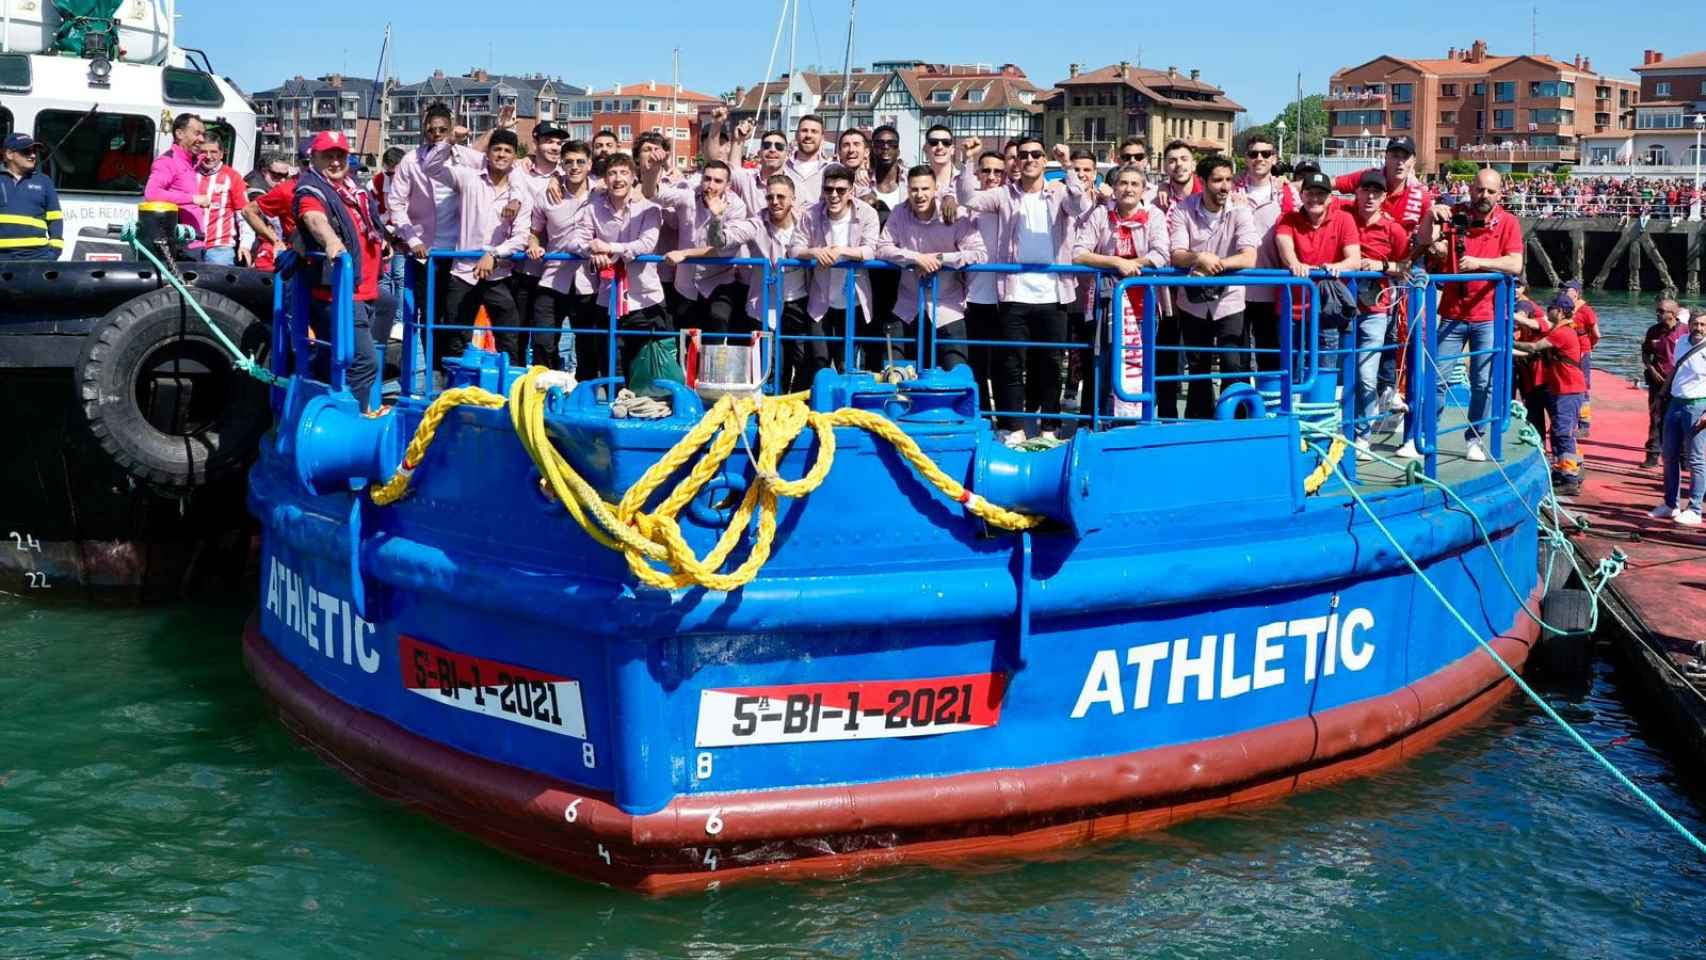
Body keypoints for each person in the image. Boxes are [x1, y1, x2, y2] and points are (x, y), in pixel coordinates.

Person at [955, 136, 1089, 445]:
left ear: (1045, 161)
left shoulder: (1059, 193)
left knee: (1052, 363)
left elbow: (1080, 205)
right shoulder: (1003, 195)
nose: (1029, 159)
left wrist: (1068, 166)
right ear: (1016, 161)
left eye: (1036, 154)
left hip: (1053, 293)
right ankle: (1013, 427)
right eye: (1024, 155)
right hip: (1014, 293)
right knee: (1010, 362)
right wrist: (967, 160)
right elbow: (967, 198)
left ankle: (1049, 428)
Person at [1402, 168, 1523, 463]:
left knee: (1484, 382)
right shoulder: (1453, 214)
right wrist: (1431, 214)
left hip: (1488, 315)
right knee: (1437, 379)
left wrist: (1478, 263)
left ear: (1500, 193)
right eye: (1480, 189)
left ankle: (1475, 439)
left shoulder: (1507, 222)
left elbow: (1515, 264)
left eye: (1491, 191)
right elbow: (1424, 241)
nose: (1484, 196)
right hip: (1453, 314)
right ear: (1471, 188)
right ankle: (1425, 435)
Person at [1166, 155, 1262, 420]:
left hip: (1230, 299)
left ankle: (1234, 425)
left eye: (1229, 180)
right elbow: (1176, 253)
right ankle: (1201, 425)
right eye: (1217, 180)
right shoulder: (1184, 209)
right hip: (1193, 301)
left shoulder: (1240, 210)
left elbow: (1249, 257)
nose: (1224, 186)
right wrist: (1199, 258)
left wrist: (1215, 263)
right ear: (1203, 181)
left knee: (1233, 364)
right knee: (1198, 367)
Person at [292, 131, 382, 410]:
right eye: (327, 156)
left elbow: (366, 226)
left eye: (340, 155)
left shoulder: (353, 190)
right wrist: (331, 241)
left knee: (338, 353)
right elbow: (313, 217)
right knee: (364, 361)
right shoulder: (311, 188)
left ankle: (315, 401)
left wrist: (386, 241)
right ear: (314, 158)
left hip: (365, 287)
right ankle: (353, 422)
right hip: (340, 292)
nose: (335, 162)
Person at [432, 129, 534, 368]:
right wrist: (449, 140)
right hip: (463, 272)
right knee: (456, 337)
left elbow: (520, 237)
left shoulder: (521, 194)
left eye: (507, 151)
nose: (501, 155)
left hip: (498, 274)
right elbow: (431, 168)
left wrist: (493, 254)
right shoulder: (468, 179)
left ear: (513, 156)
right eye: (497, 149)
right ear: (487, 153)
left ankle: (510, 389)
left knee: (509, 336)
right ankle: (455, 391)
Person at [1072, 163, 1168, 418]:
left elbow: (1161, 254)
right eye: (1123, 183)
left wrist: (1130, 266)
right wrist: (1116, 262)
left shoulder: (1154, 216)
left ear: (1144, 189)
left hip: (1143, 306)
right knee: (1103, 365)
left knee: (1140, 365)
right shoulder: (1100, 215)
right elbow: (1079, 253)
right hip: (1105, 306)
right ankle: (1100, 421)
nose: (1128, 189)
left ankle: (1138, 420)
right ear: (1113, 188)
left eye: (1134, 184)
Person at [565, 153, 666, 379]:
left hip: (645, 298)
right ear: (605, 178)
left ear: (633, 178)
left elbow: (646, 245)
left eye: (623, 173)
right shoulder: (593, 208)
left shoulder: (650, 208)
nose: (617, 179)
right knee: (610, 361)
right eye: (612, 173)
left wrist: (609, 248)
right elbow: (574, 241)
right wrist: (592, 250)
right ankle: (613, 402)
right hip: (607, 297)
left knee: (644, 365)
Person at [876, 164, 988, 368]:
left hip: (947, 307)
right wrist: (915, 258)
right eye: (914, 189)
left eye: (925, 189)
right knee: (894, 373)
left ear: (936, 189)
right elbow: (882, 247)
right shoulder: (899, 212)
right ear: (907, 189)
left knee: (955, 373)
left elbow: (979, 254)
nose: (919, 195)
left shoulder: (954, 213)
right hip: (908, 306)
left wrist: (940, 259)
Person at [388, 103, 484, 329]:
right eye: (432, 130)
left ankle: (450, 363)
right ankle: (433, 364)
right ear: (424, 130)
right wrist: (412, 239)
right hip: (427, 251)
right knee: (430, 315)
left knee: (458, 315)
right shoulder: (410, 162)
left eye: (442, 130)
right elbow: (396, 204)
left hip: (462, 250)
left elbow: (500, 169)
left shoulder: (468, 157)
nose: (437, 135)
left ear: (451, 130)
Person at [1342, 170, 1412, 452]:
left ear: (1384, 197)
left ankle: (1362, 435)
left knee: (1365, 374)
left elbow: (1406, 267)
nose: (1370, 196)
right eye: (1365, 190)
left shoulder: (1392, 229)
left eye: (1376, 192)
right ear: (1356, 192)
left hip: (1375, 308)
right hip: (1340, 307)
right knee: (1331, 367)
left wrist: (1380, 266)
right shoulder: (1343, 218)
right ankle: (1332, 429)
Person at [789, 164, 880, 370]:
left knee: (846, 365)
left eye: (840, 190)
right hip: (820, 300)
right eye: (828, 189)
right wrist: (815, 252)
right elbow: (794, 248)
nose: (834, 195)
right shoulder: (811, 214)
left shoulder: (867, 213)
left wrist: (841, 251)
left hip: (854, 300)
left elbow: (871, 250)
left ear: (851, 191)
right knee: (819, 362)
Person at [659, 160, 756, 334]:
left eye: (718, 181)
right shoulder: (689, 195)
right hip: (685, 285)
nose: (711, 185)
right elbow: (655, 194)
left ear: (728, 185)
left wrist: (716, 218)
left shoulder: (736, 206)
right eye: (707, 179)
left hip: (718, 282)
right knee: (686, 346)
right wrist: (649, 170)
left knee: (716, 334)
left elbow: (720, 247)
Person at [1232, 130, 1299, 373]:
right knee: (1236, 360)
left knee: (1270, 356)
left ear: (1274, 157)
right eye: (1253, 153)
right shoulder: (1230, 190)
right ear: (1245, 157)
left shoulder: (1287, 192)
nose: (1259, 158)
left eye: (1265, 153)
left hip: (1273, 288)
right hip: (1236, 286)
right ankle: (1239, 410)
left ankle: (1268, 410)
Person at [1512, 295, 1588, 494]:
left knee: (1563, 432)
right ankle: (1566, 470)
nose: (1547, 311)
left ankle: (1570, 477)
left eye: (1551, 308)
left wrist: (1510, 343)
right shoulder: (1561, 331)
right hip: (1563, 388)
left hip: (1568, 389)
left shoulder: (1562, 333)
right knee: (1561, 431)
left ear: (1561, 311)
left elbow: (1534, 347)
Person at [1650, 309, 1706, 526]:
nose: (1698, 328)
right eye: (1696, 324)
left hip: (1698, 405)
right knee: (1669, 455)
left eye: (1703, 324)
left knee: (1696, 459)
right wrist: (1661, 395)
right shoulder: (1682, 341)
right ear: (1689, 324)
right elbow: (1676, 370)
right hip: (1675, 402)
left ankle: (1694, 508)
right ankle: (1670, 504)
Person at [963, 149, 1007, 411]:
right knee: (976, 362)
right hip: (974, 294)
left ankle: (1004, 419)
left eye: (998, 171)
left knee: (1004, 363)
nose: (992, 176)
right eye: (986, 170)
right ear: (978, 173)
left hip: (1005, 294)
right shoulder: (966, 204)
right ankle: (980, 414)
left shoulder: (1010, 201)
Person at [144, 113, 212, 258]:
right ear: (179, 133)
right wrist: (193, 199)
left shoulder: (192, 161)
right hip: (180, 247)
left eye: (203, 135)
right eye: (197, 133)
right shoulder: (167, 162)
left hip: (197, 243)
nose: (201, 139)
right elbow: (152, 193)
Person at [1641, 298, 1688, 467]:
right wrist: (1651, 369)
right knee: (1656, 417)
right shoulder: (1653, 331)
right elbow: (1646, 353)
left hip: (1679, 383)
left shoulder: (1685, 332)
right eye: (1658, 311)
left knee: (1680, 418)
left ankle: (1684, 456)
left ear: (1673, 314)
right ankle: (1653, 454)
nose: (1658, 314)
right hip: (1657, 381)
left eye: (1662, 311)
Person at [0, 133, 63, 261]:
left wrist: (55, 250)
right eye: (26, 151)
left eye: (34, 151)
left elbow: (55, 218)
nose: (33, 155)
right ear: (9, 154)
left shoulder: (44, 181)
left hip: (37, 257)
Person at [194, 140, 248, 266]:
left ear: (221, 154)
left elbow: (244, 215)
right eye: (204, 152)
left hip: (220, 248)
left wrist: (245, 245)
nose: (208, 156)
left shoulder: (232, 176)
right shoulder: (190, 173)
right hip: (190, 246)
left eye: (213, 152)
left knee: (216, 285)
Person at [1562, 280, 1600, 434]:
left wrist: (1589, 346)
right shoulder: (1562, 308)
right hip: (1566, 351)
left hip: (1582, 351)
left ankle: (1584, 424)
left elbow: (1596, 334)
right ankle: (1568, 421)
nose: (1563, 292)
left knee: (1582, 386)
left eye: (1567, 290)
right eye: (1562, 290)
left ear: (1576, 293)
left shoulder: (1585, 310)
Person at [785, 115, 829, 206]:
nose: (808, 135)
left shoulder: (831, 170)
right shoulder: (782, 168)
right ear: (796, 135)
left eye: (814, 131)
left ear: (822, 138)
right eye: (804, 130)